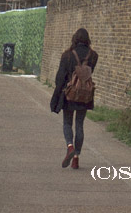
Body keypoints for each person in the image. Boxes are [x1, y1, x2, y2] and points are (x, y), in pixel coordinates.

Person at [50, 28, 98, 169]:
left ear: (75, 39)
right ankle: (76, 157)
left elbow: (60, 78)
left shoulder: (67, 55)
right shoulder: (94, 56)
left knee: (67, 123)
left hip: (69, 94)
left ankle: (70, 146)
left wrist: (56, 96)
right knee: (79, 125)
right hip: (85, 95)